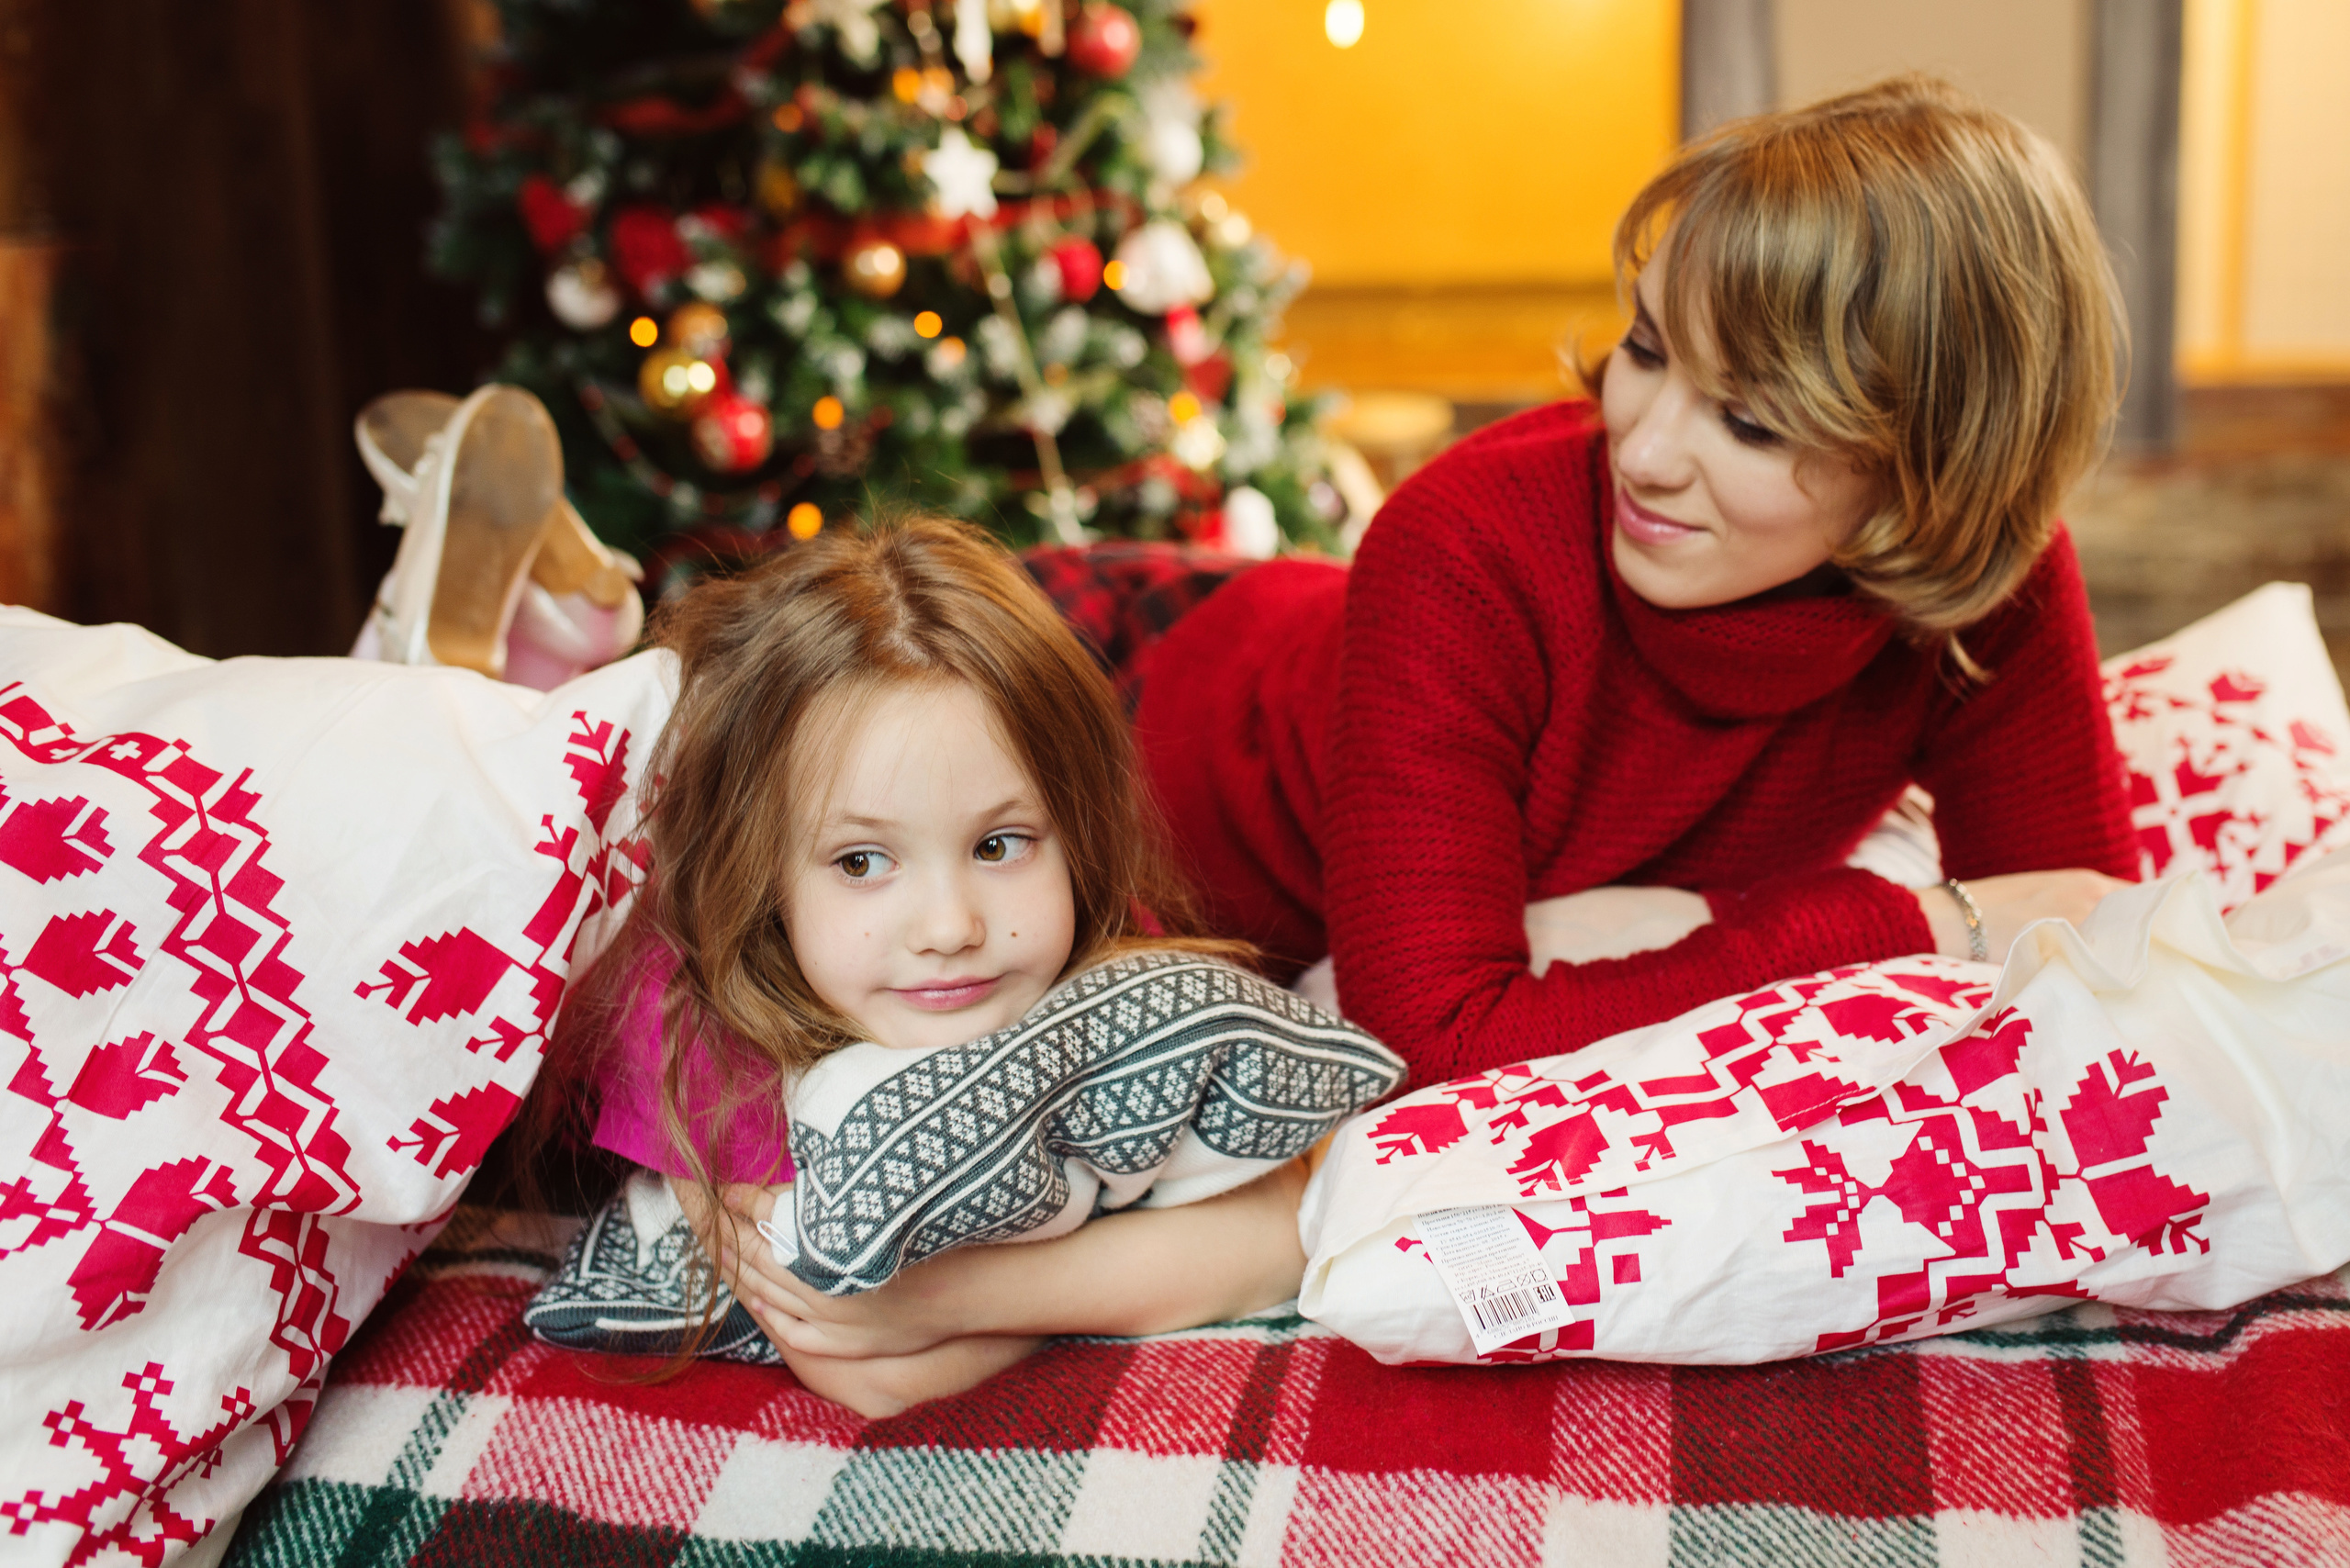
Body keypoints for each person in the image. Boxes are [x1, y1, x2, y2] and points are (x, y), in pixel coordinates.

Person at [1114, 74, 2139, 1089]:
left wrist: (1679, 930)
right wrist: (1905, 921)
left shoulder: (1989, 575)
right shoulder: (1463, 547)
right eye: (1644, 349)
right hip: (1146, 755)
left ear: (1932, 474)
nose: (1640, 451)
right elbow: (1434, 1043)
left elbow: (2083, 942)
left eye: (1748, 420)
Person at [548, 518, 1339, 1417]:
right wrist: (1131, 1277)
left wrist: (944, 1301)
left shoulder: (1104, 958)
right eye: (860, 862)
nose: (950, 926)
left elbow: (1282, 1231)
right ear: (763, 872)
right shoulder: (691, 1010)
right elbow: (867, 1368)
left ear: (1073, 834)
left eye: (1000, 843)